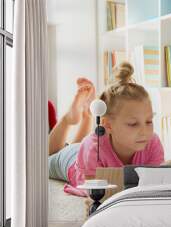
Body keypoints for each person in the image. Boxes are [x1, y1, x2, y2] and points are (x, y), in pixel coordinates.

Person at [48, 62, 164, 196]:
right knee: (45, 161)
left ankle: (86, 115)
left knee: (77, 145)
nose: (144, 131)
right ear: (108, 125)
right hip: (71, 159)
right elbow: (93, 191)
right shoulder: (92, 147)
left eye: (149, 121)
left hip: (85, 149)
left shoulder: (152, 142)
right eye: (133, 124)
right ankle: (69, 119)